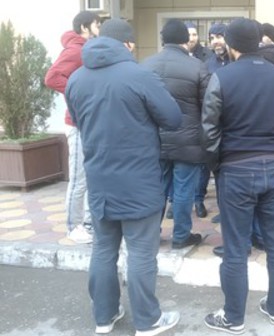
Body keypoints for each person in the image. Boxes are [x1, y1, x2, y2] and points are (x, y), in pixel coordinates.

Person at [65, 19, 182, 335]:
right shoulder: (140, 75)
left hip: (100, 181)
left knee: (104, 249)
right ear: (128, 44)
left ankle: (104, 317)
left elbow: (77, 120)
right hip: (139, 181)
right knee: (141, 252)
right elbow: (172, 118)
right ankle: (147, 321)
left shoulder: (76, 79)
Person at [201, 18, 274, 334]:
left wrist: (216, 166)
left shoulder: (221, 77)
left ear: (232, 44)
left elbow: (210, 130)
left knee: (236, 246)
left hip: (236, 170)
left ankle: (233, 316)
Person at [142, 19, 210, 249]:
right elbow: (209, 106)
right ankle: (181, 236)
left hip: (155, 140)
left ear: (163, 40)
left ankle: (151, 234)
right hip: (188, 140)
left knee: (156, 189)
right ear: (184, 40)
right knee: (183, 190)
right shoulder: (198, 67)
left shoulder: (146, 65)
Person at [44, 10, 101, 244]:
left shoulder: (86, 49)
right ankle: (73, 226)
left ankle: (87, 223)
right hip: (77, 124)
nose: (100, 28)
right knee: (79, 179)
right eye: (97, 24)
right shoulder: (76, 50)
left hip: (88, 122)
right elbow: (52, 77)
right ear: (85, 28)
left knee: (90, 177)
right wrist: (78, 92)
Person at [195, 22, 231, 222]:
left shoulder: (235, 61)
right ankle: (222, 209)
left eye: (219, 36)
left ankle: (231, 211)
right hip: (213, 126)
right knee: (216, 171)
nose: (216, 42)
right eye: (212, 38)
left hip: (233, 125)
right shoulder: (207, 64)